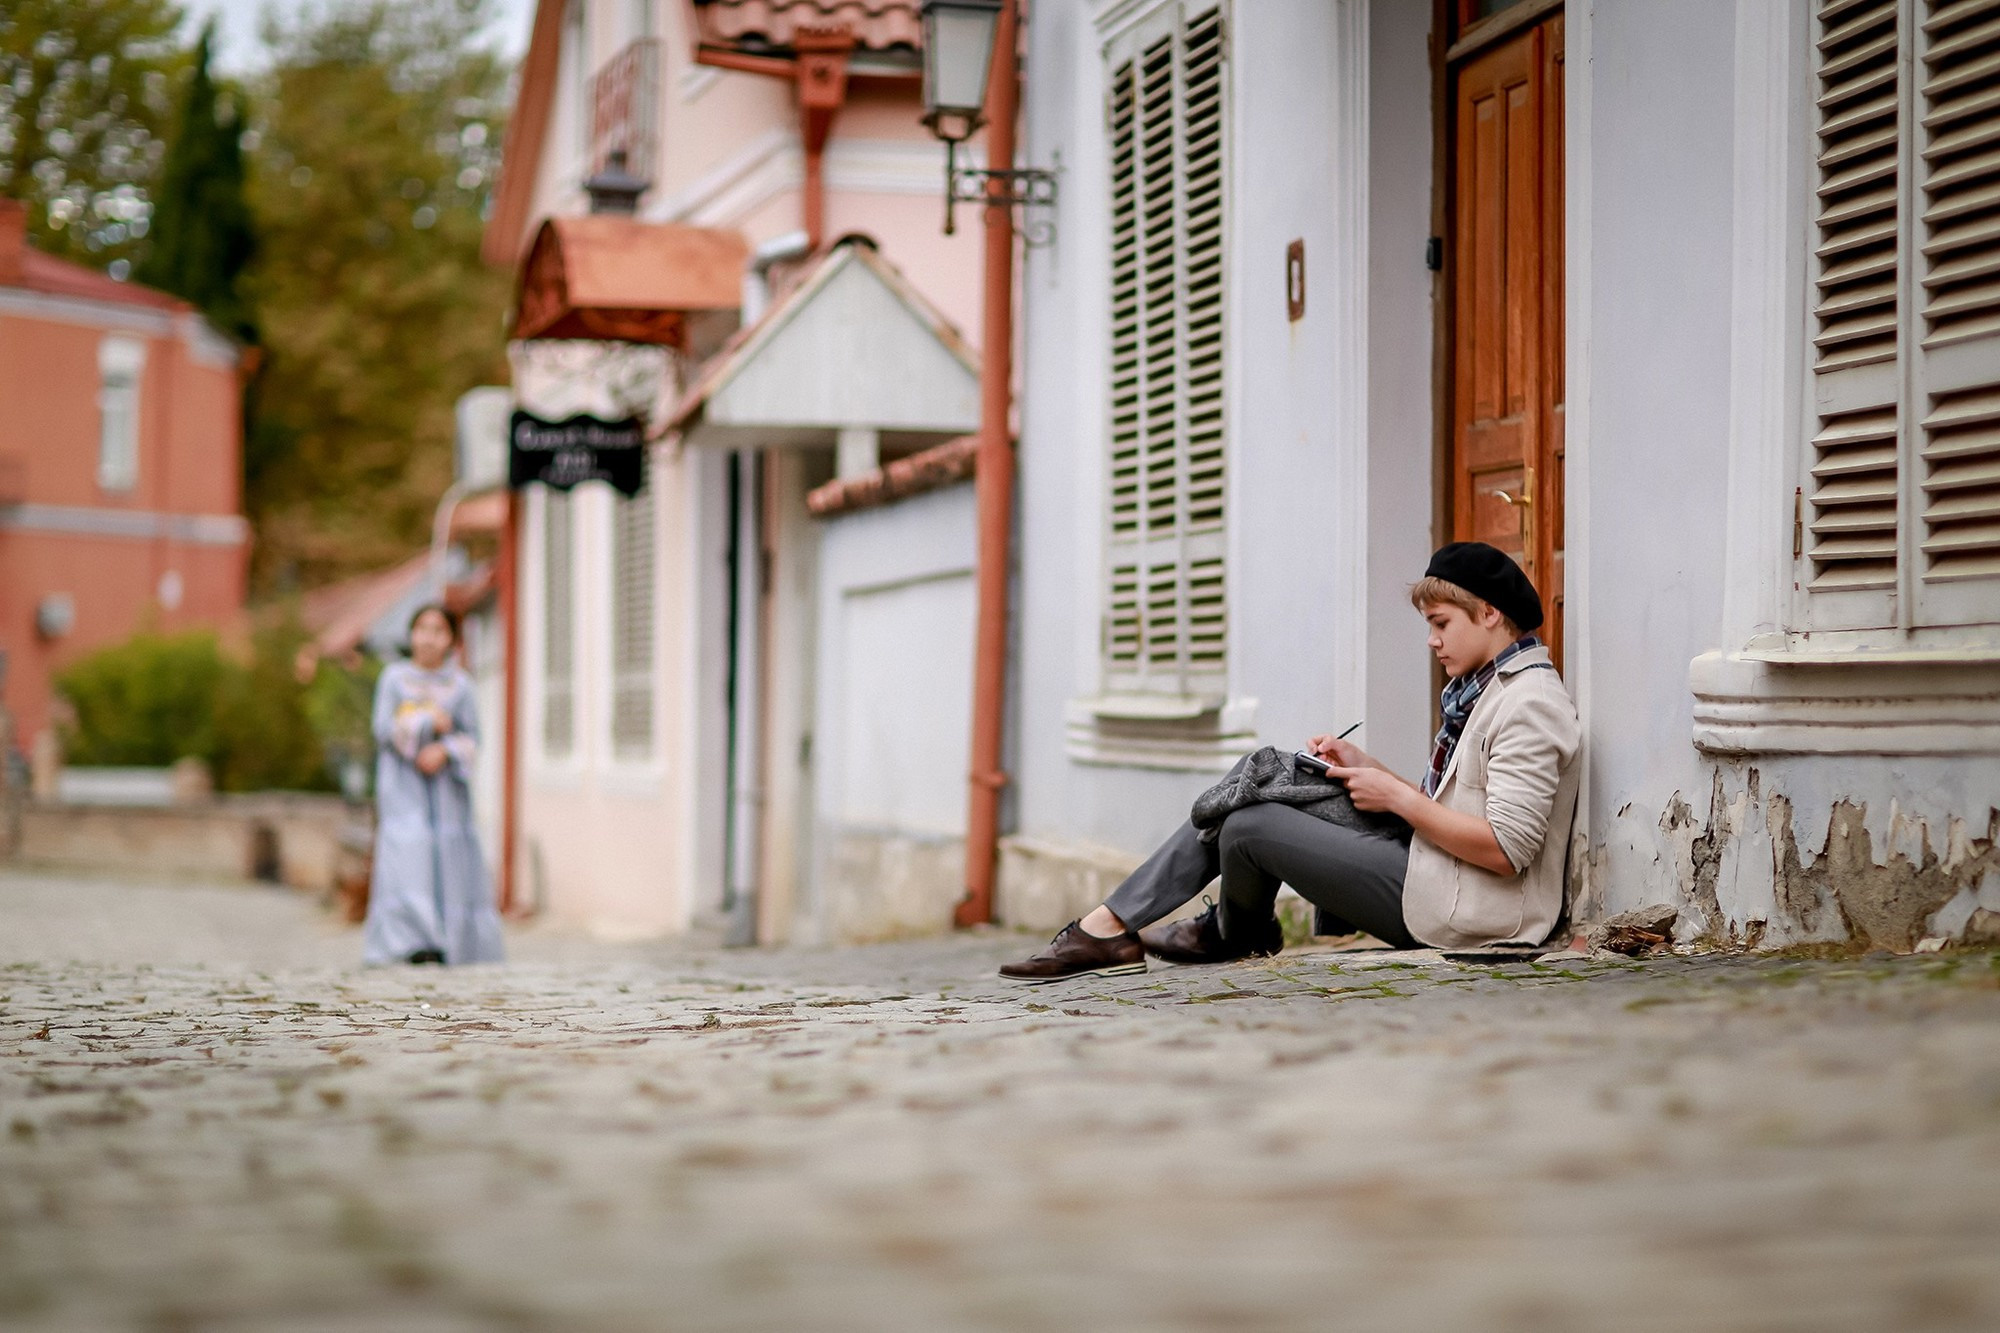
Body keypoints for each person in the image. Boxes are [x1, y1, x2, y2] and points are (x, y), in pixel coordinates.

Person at [999, 542, 1581, 982]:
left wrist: (1395, 797)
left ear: (1487, 614)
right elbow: (1455, 804)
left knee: (1249, 824)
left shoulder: (1528, 703)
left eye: (1440, 625)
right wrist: (1366, 766)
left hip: (1469, 911)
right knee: (1271, 771)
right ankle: (1136, 927)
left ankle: (1191, 931)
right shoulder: (1485, 691)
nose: (1431, 641)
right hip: (1436, 869)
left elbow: (1506, 852)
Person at [363, 604, 505, 967]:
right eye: (422, 628)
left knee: (447, 864)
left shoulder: (461, 685)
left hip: (447, 797)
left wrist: (444, 750)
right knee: (408, 860)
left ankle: (449, 942)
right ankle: (409, 942)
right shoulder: (394, 679)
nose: (429, 638)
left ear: (451, 639)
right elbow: (383, 729)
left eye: (438, 630)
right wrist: (428, 723)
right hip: (404, 791)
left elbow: (474, 739)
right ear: (411, 634)